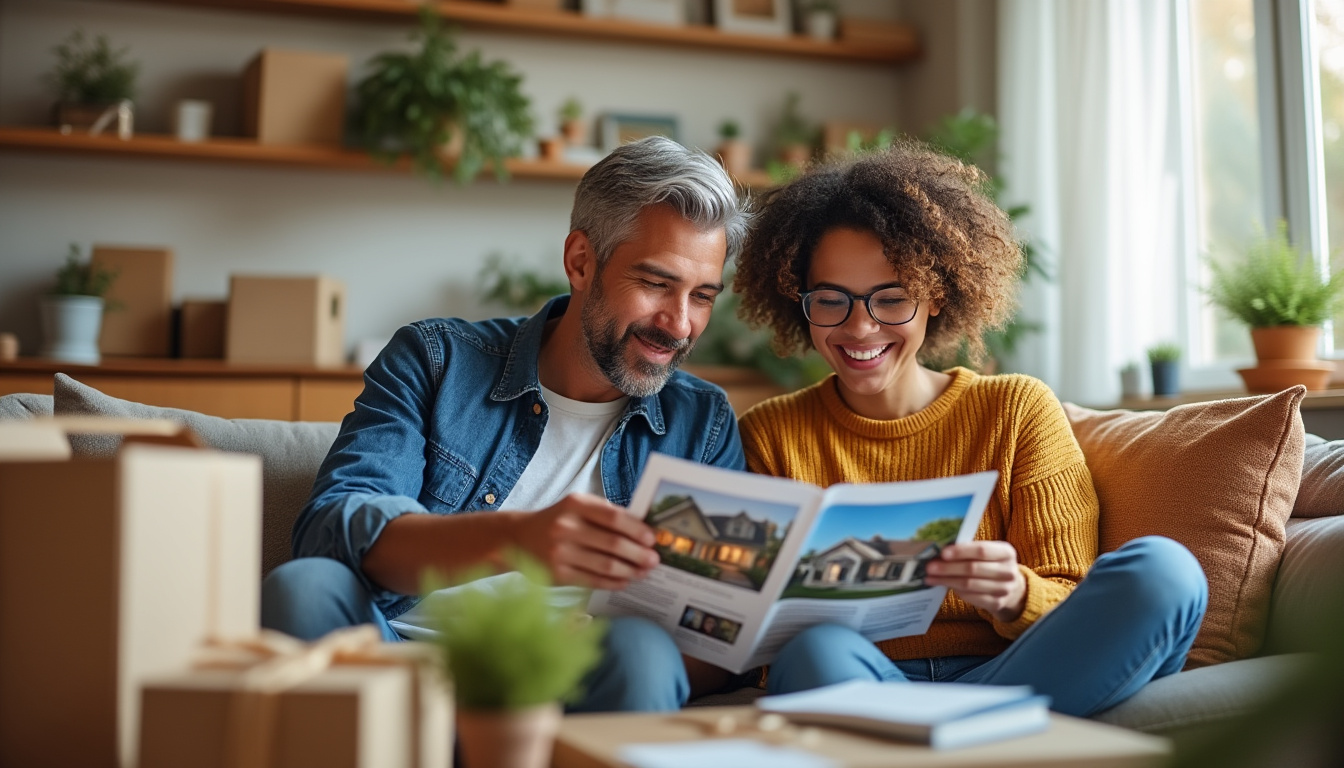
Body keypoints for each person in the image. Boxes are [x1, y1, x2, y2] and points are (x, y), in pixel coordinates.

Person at [261, 136, 751, 711]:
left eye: (703, 296)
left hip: (569, 685)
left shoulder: (702, 423)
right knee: (304, 588)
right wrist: (516, 540)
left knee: (642, 648)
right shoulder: (437, 360)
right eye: (656, 284)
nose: (680, 324)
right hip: (399, 663)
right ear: (580, 261)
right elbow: (333, 530)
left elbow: (717, 639)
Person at [731, 141, 1209, 717]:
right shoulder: (770, 435)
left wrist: (1015, 595)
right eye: (831, 300)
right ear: (798, 299)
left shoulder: (1015, 409)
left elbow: (1073, 593)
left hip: (1016, 672)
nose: (860, 327)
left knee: (1166, 572)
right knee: (814, 649)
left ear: (935, 297)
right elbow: (755, 637)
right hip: (860, 678)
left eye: (891, 299)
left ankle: (945, 741)